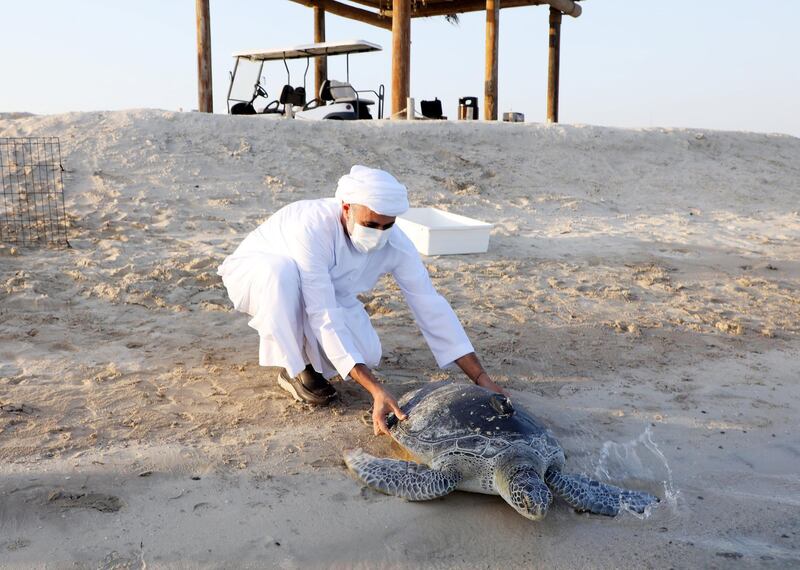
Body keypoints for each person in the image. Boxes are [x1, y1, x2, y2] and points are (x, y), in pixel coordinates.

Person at [217, 165, 505, 436]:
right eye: (371, 224)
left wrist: (481, 379)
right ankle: (295, 368)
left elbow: (429, 304)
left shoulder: (395, 241)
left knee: (365, 354)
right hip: (260, 274)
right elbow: (322, 312)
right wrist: (375, 389)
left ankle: (312, 358)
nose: (379, 234)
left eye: (387, 225)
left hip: (326, 289)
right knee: (281, 276)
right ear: (346, 208)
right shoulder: (311, 227)